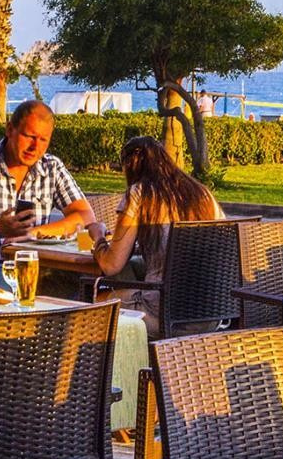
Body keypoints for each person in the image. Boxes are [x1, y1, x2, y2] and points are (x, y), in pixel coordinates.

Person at [90, 136, 225, 336]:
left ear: (130, 166)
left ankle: (121, 355)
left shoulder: (140, 193)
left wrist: (99, 238)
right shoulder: (202, 194)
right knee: (133, 266)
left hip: (164, 314)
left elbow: (111, 265)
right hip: (212, 314)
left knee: (95, 301)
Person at [0, 99, 95, 260]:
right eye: (29, 136)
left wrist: (33, 233)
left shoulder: (51, 167)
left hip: (32, 267)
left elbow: (85, 215)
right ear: (10, 130)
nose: (35, 147)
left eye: (43, 140)